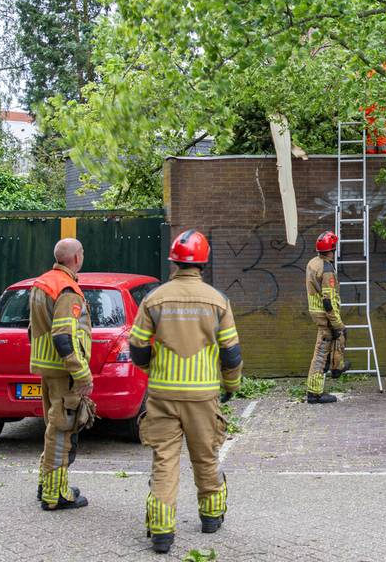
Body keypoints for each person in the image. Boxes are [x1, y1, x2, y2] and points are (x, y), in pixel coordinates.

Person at [129, 229, 242, 554]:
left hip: (163, 394)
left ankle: (162, 533)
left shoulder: (154, 299)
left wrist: (153, 370)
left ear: (174, 261)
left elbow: (137, 346)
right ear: (203, 263)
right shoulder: (218, 301)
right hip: (203, 395)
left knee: (165, 460)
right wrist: (231, 386)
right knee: (205, 456)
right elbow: (231, 353)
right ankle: (210, 517)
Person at [27, 237, 94, 510]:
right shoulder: (68, 289)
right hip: (63, 371)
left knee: (53, 427)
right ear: (76, 258)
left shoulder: (42, 283)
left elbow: (34, 329)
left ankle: (47, 484)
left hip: (47, 368)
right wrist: (81, 374)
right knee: (63, 430)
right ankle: (56, 495)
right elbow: (64, 337)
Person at [304, 231, 346, 404]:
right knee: (322, 353)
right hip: (325, 316)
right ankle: (314, 393)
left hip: (318, 313)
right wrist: (337, 324)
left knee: (325, 349)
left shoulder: (313, 263)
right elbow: (328, 301)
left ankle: (338, 366)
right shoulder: (327, 269)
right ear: (333, 249)